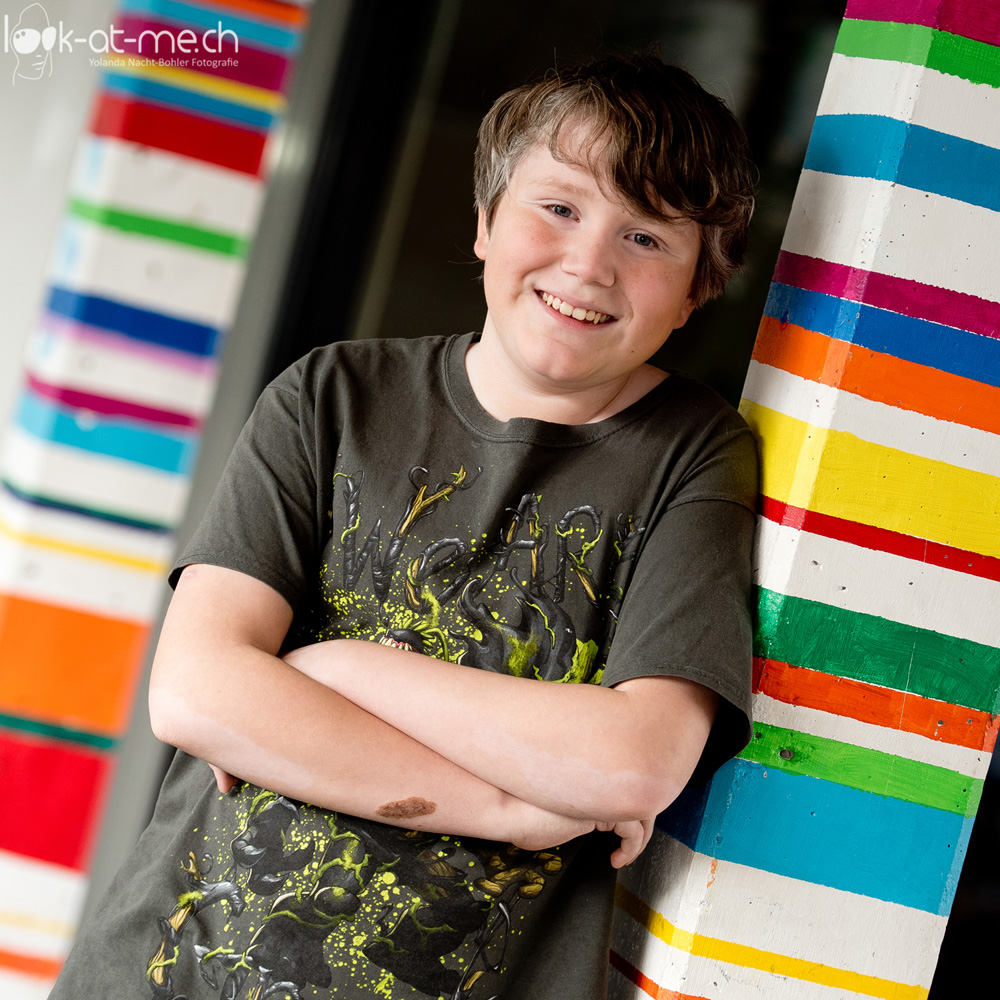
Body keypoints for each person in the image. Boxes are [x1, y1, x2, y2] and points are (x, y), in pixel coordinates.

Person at [50, 51, 757, 1000]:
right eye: (559, 208)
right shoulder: (331, 397)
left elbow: (633, 762)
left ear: (697, 288)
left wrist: (331, 669)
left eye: (646, 237)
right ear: (485, 221)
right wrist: (509, 804)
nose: (589, 264)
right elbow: (197, 693)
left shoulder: (695, 455)